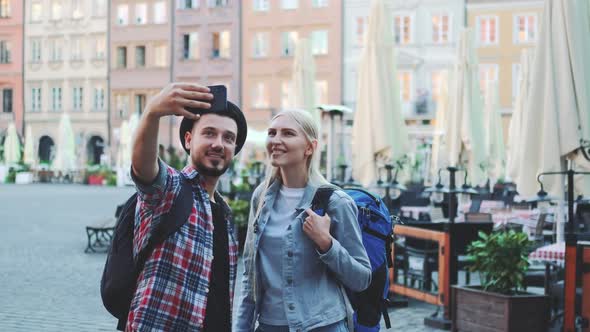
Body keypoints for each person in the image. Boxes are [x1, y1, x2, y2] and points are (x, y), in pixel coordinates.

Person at [233, 109, 371, 332]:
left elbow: (361, 278)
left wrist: (326, 243)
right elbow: (250, 274)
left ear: (310, 147)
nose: (276, 140)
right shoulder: (261, 196)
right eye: (272, 133)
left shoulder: (335, 202)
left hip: (321, 325)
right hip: (268, 325)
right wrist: (241, 327)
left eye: (287, 133)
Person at [128, 83, 247, 331]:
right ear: (188, 140)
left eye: (228, 138)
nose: (218, 143)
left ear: (234, 150)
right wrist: (152, 112)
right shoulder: (171, 188)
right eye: (209, 133)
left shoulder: (225, 214)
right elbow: (142, 166)